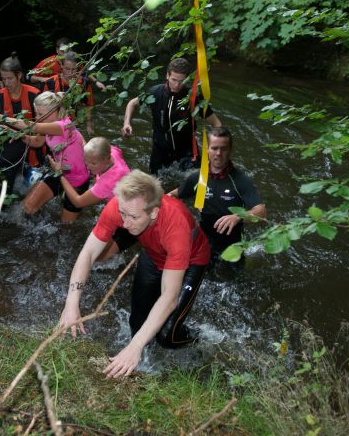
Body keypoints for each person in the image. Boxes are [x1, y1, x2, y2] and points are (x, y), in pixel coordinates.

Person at [59, 170, 210, 378]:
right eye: (123, 214)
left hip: (192, 260)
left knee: (166, 336)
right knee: (136, 323)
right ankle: (139, 365)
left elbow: (169, 297)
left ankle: (199, 340)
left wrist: (136, 345)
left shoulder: (176, 226)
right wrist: (71, 304)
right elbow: (88, 252)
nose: (125, 223)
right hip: (154, 254)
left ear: (154, 212)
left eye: (133, 217)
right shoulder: (120, 207)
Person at [172, 127, 266, 263]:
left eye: (224, 148)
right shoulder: (198, 178)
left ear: (230, 150)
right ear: (207, 150)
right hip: (204, 243)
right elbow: (173, 195)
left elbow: (262, 212)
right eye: (214, 148)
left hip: (233, 248)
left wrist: (238, 217)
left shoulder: (240, 180)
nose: (219, 153)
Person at [0, 91, 89, 222]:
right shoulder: (48, 126)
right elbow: (37, 142)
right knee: (26, 207)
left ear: (55, 111)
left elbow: (34, 126)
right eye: (36, 113)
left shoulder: (63, 126)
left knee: (66, 226)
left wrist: (2, 118)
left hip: (76, 181)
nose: (38, 117)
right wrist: (19, 135)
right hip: (58, 172)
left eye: (41, 114)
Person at [121, 57, 222, 174]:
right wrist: (127, 123)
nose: (177, 85)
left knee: (193, 185)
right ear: (167, 76)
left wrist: (216, 149)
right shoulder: (155, 93)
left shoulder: (194, 98)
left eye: (182, 81)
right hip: (160, 149)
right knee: (154, 184)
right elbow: (132, 103)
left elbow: (216, 123)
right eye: (174, 80)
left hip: (187, 151)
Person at [0, 55, 44, 206]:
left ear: (19, 75)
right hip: (7, 141)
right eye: (4, 79)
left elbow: (42, 128)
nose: (6, 83)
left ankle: (3, 203)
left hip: (30, 142)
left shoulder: (35, 95)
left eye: (10, 78)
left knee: (4, 164)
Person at [47, 136, 130, 217]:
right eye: (86, 160)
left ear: (107, 159)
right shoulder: (112, 151)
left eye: (93, 163)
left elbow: (78, 202)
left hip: (124, 214)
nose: (88, 166)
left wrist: (59, 173)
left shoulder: (107, 182)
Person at [43, 52, 96, 137]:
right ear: (61, 66)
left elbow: (88, 106)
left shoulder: (84, 83)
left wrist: (89, 125)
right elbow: (44, 109)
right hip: (55, 123)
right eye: (67, 69)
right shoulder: (50, 83)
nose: (70, 73)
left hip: (74, 122)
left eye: (74, 69)